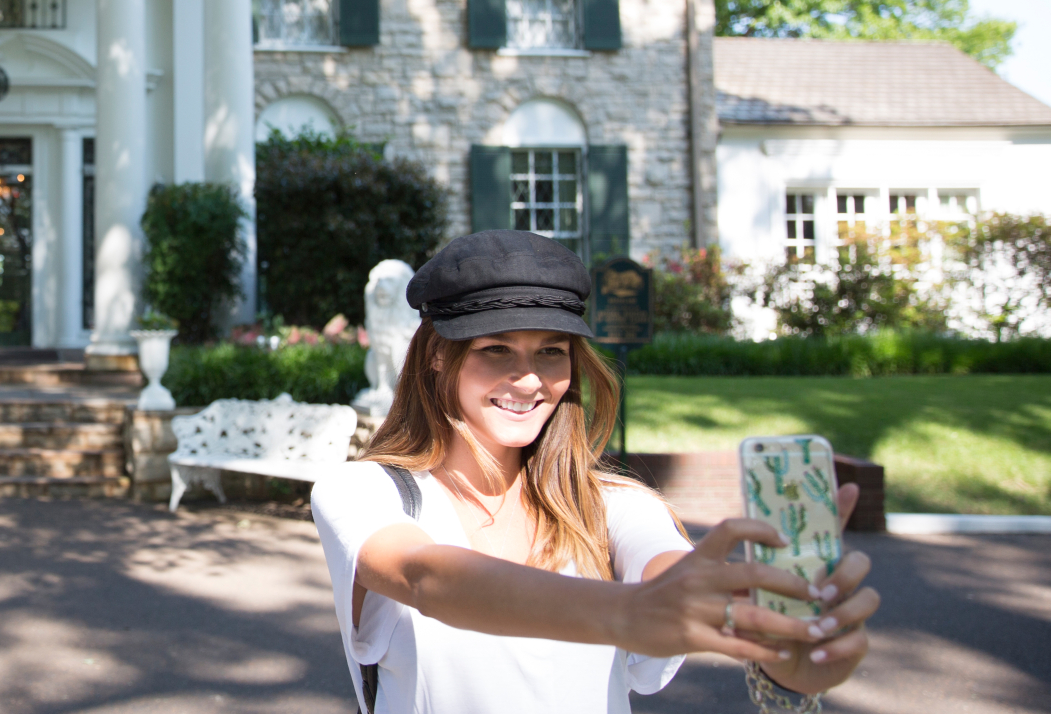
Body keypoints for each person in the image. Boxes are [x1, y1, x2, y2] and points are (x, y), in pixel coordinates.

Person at [310, 230, 881, 713]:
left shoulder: (617, 505)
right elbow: (423, 577)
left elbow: (670, 576)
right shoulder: (364, 491)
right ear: (438, 354)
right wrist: (629, 613)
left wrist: (780, 656)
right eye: (496, 349)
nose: (529, 379)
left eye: (551, 351)